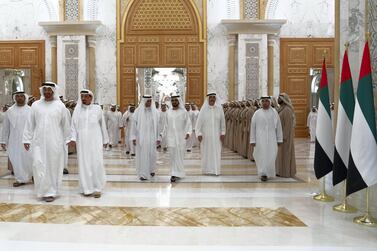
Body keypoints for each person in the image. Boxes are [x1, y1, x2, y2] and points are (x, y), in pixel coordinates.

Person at [22, 82, 71, 202]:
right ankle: (42, 190)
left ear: (54, 91)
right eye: (45, 89)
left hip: (55, 141)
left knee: (53, 166)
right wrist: (26, 139)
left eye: (50, 90)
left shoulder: (60, 106)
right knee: (38, 164)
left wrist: (68, 139)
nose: (47, 92)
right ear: (42, 91)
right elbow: (30, 124)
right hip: (38, 141)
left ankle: (51, 191)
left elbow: (65, 125)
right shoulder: (35, 105)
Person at [70, 89, 109, 198]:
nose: (83, 98)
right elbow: (73, 126)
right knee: (84, 164)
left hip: (95, 140)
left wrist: (105, 140)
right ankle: (86, 188)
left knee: (96, 162)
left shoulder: (97, 109)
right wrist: (72, 138)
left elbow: (103, 125)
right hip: (82, 142)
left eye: (86, 96)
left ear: (91, 97)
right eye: (82, 96)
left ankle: (97, 188)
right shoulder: (77, 111)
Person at [0, 91, 33, 187]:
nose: (19, 98)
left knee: (29, 159)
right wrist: (3, 140)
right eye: (17, 96)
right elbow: (6, 127)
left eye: (21, 96)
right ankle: (20, 179)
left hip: (29, 140)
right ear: (15, 98)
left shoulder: (31, 110)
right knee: (16, 159)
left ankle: (31, 175)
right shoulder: (10, 111)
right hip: (14, 141)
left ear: (25, 97)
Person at [250, 96, 283, 182]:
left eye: (267, 101)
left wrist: (279, 139)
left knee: (271, 155)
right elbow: (253, 127)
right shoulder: (257, 113)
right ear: (261, 102)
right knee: (260, 155)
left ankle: (269, 172)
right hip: (260, 139)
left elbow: (279, 127)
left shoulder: (274, 113)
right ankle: (263, 173)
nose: (265, 103)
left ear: (270, 102)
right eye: (263, 101)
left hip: (272, 139)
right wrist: (252, 140)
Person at [162, 95, 192, 182]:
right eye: (173, 100)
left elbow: (188, 124)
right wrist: (162, 135)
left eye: (176, 100)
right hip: (170, 137)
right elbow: (166, 125)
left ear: (179, 101)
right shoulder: (168, 112)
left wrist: (188, 133)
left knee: (179, 156)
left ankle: (178, 172)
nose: (174, 102)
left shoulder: (183, 112)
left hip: (181, 137)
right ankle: (173, 173)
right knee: (172, 155)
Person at [131, 95, 160, 181]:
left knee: (152, 154)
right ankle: (143, 174)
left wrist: (159, 137)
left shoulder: (155, 112)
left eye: (150, 101)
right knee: (143, 154)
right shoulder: (138, 111)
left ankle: (152, 170)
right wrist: (133, 137)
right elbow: (134, 125)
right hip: (141, 137)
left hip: (152, 136)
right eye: (147, 101)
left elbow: (158, 126)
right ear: (144, 101)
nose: (149, 103)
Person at [195, 93, 225, 175]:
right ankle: (207, 170)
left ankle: (216, 170)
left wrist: (223, 132)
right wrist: (199, 134)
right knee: (206, 153)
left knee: (216, 152)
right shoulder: (203, 110)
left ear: (215, 99)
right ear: (208, 99)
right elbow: (198, 124)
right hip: (206, 136)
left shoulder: (219, 109)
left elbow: (223, 122)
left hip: (216, 136)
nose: (212, 99)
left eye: (213, 97)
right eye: (210, 97)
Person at [276, 93, 296, 178]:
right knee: (281, 155)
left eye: (280, 98)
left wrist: (283, 137)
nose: (278, 100)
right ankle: (280, 171)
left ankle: (286, 172)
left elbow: (288, 126)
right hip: (281, 136)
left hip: (285, 137)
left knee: (286, 154)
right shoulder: (282, 109)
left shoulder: (287, 110)